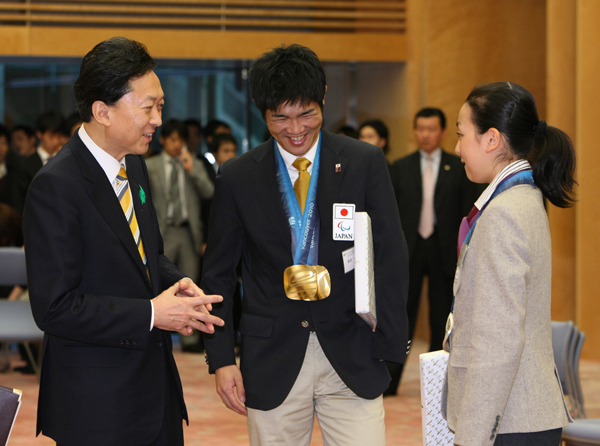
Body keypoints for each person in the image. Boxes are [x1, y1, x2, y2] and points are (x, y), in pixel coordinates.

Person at [201, 43, 409, 446]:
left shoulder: (363, 162)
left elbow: (390, 254)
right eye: (280, 117)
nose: (295, 130)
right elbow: (219, 275)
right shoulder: (238, 176)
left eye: (306, 114)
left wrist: (389, 343)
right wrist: (222, 359)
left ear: (325, 97)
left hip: (352, 349)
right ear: (262, 111)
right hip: (272, 355)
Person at [22, 36, 224, 446]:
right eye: (148, 107)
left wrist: (177, 283)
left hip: (155, 397)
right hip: (97, 408)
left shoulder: (134, 167)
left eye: (160, 106)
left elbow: (145, 256)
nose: (158, 120)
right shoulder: (56, 186)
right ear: (103, 111)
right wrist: (152, 313)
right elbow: (55, 307)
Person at [443, 82, 575, 446]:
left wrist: (473, 436)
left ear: (491, 139)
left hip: (510, 420)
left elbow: (498, 339)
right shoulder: (524, 197)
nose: (457, 148)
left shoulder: (503, 212)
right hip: (521, 414)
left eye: (461, 134)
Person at [387, 107, 482, 395]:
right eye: (420, 129)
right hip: (409, 250)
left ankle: (438, 382)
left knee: (442, 318)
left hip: (444, 251)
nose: (425, 134)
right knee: (402, 314)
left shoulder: (461, 166)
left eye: (431, 129)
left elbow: (469, 211)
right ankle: (390, 382)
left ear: (442, 132)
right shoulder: (399, 167)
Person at [146, 118, 214, 282]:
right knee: (158, 281)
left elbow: (209, 193)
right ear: (162, 140)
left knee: (189, 281)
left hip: (188, 232)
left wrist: (192, 171)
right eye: (173, 139)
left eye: (181, 140)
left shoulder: (194, 163)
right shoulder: (149, 165)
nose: (177, 144)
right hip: (163, 230)